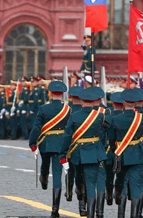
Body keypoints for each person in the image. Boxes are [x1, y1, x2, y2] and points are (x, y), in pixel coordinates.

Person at [60, 86, 107, 218]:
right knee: (91, 184)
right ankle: (91, 214)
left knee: (79, 180)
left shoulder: (74, 116)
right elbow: (103, 135)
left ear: (81, 101)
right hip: (93, 153)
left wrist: (63, 154)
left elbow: (67, 136)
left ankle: (81, 203)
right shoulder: (100, 116)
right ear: (93, 102)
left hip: (77, 153)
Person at [29, 81, 71, 218]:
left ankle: (44, 178)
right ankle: (55, 210)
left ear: (51, 94)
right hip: (60, 145)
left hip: (46, 143)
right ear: (63, 94)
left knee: (45, 164)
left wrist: (32, 143)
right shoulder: (68, 109)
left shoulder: (43, 109)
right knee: (58, 176)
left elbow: (36, 128)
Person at [109, 88, 143, 218]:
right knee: (136, 185)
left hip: (122, 155)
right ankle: (135, 215)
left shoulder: (115, 119)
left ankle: (120, 215)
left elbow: (111, 140)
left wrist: (115, 151)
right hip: (137, 154)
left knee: (122, 184)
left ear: (124, 103)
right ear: (136, 103)